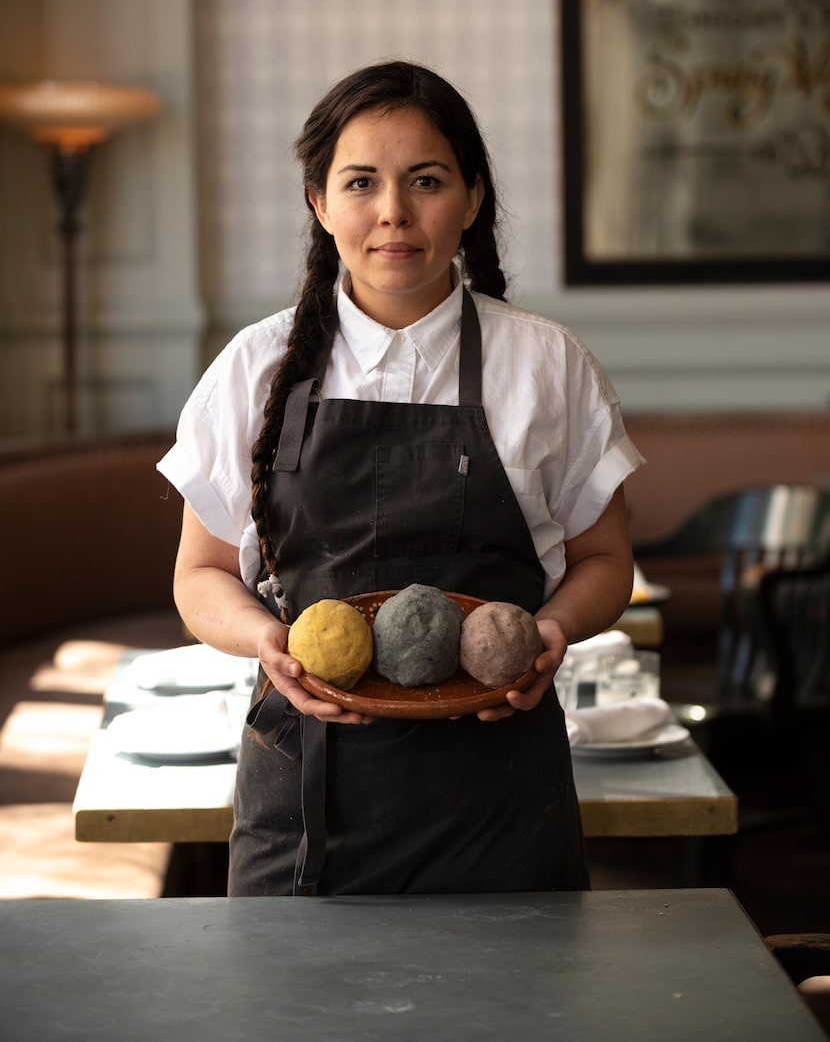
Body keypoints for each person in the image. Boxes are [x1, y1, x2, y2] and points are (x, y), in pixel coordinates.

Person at [158, 59, 645, 897]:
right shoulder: (253, 366)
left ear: (473, 196)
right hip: (306, 808)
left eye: (426, 180)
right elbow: (200, 574)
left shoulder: (546, 364)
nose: (394, 212)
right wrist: (263, 641)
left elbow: (607, 560)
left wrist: (554, 631)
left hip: (500, 801)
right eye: (361, 183)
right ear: (319, 202)